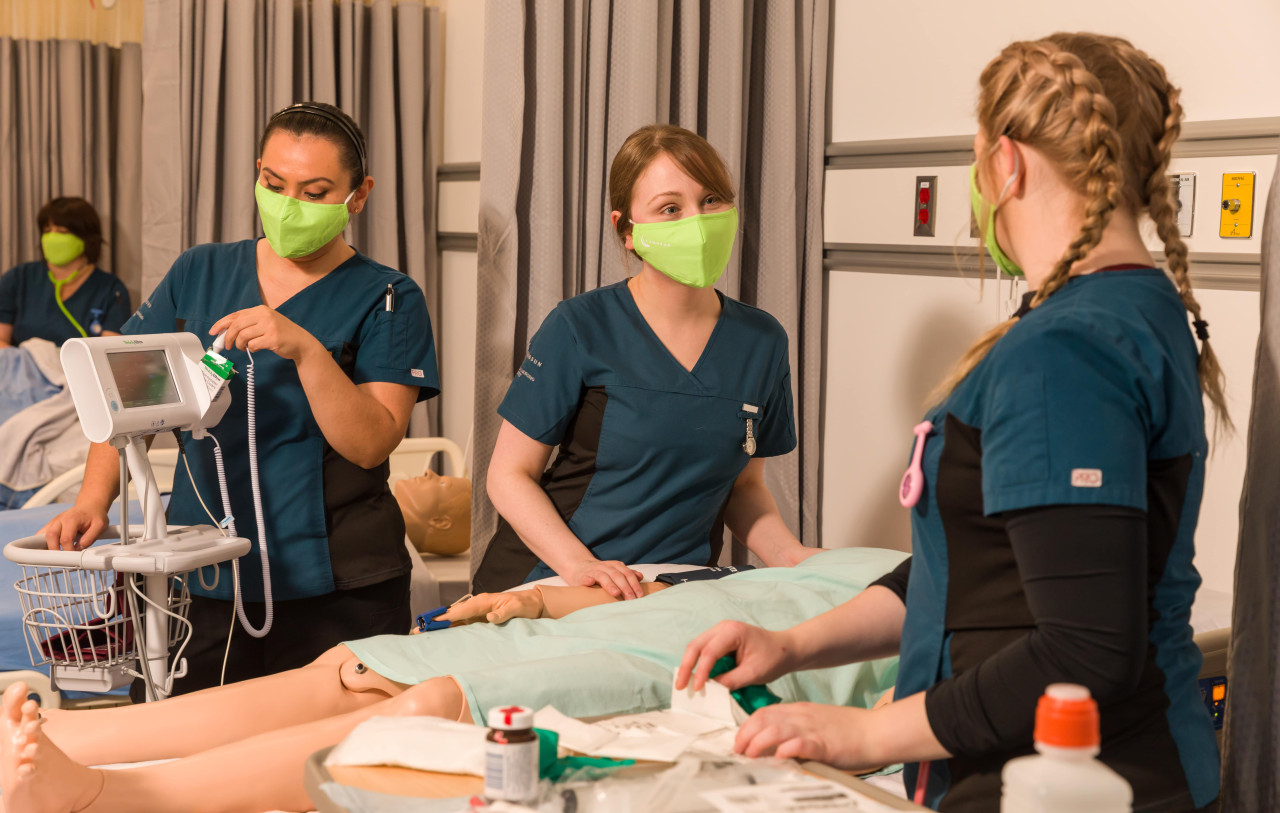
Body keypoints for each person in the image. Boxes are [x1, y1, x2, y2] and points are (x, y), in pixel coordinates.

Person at [677, 33, 1224, 812]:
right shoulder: (1134, 311)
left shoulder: (1063, 352)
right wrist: (793, 645)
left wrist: (861, 735)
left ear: (1007, 163)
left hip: (1071, 785)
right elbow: (976, 573)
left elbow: (1084, 647)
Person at [0, 547, 902, 813]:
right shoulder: (874, 558)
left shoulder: (959, 625)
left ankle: (112, 796)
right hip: (663, 609)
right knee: (361, 666)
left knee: (435, 709)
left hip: (695, 661)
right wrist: (537, 600)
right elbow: (727, 571)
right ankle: (70, 735)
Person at [37, 102, 440, 696]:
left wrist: (306, 351)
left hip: (345, 583)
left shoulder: (388, 296)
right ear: (257, 174)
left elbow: (371, 442)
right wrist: (92, 501)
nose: (289, 204)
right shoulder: (199, 272)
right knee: (194, 750)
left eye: (315, 190)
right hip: (204, 572)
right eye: (274, 184)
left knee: (333, 760)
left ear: (358, 196)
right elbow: (124, 406)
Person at [476, 124, 814, 596]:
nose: (696, 221)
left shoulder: (761, 341)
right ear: (628, 231)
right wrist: (580, 567)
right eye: (670, 208)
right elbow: (509, 476)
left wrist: (792, 556)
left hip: (668, 594)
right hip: (550, 581)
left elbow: (743, 488)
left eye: (712, 199)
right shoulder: (579, 326)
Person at [0, 197, 131, 347]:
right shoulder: (19, 278)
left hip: (79, 370)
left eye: (62, 231)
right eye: (47, 231)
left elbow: (109, 352)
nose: (53, 237)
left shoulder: (112, 290)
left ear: (87, 238)